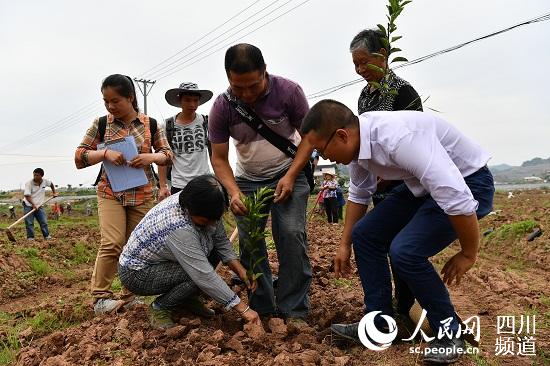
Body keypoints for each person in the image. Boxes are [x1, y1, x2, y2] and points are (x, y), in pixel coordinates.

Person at [301, 100, 494, 364]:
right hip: (422, 188)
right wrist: (344, 243)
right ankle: (380, 325)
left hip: (470, 182)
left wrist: (468, 253)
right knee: (365, 234)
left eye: (321, 149)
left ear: (342, 135)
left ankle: (449, 332)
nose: (323, 158)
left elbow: (456, 196)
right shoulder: (358, 145)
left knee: (405, 251)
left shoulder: (399, 139)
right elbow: (359, 192)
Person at [209, 43, 312, 320]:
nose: (246, 94)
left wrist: (291, 176)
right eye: (237, 87)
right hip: (247, 181)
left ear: (265, 71)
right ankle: (263, 307)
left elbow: (309, 139)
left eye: (253, 86)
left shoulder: (289, 92)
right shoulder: (222, 106)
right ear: (228, 78)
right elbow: (219, 158)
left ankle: (295, 309)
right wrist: (233, 192)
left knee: (290, 234)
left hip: (288, 172)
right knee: (251, 243)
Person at [75, 74, 173, 316]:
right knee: (112, 243)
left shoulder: (150, 125)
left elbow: (167, 155)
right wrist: (104, 153)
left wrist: (150, 157)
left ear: (130, 98)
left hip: (142, 194)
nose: (110, 106)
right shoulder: (101, 124)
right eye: (106, 101)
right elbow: (79, 157)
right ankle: (101, 298)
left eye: (115, 101)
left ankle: (130, 297)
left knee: (137, 246)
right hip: (110, 192)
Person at [119, 175, 260, 328]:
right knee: (194, 274)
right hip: (137, 273)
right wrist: (243, 309)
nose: (211, 224)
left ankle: (186, 299)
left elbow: (220, 241)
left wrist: (240, 270)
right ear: (188, 210)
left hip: (164, 261)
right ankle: (160, 307)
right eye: (205, 221)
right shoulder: (178, 227)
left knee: (211, 253)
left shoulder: (206, 201)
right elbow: (202, 274)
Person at [351, 28, 424, 318]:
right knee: (379, 242)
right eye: (355, 64)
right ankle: (388, 311)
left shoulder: (403, 92)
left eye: (364, 62)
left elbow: (418, 143)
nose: (359, 70)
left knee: (401, 249)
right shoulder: (365, 96)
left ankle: (408, 309)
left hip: (405, 187)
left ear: (383, 57)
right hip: (381, 190)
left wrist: (392, 173)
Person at [158, 82, 214, 200]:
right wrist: (163, 186)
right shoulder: (168, 126)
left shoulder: (205, 122)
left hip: (204, 182)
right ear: (180, 101)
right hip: (179, 184)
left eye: (195, 100)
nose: (192, 104)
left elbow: (215, 155)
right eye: (188, 100)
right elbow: (163, 156)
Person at [22, 168, 57, 240]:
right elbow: (27, 196)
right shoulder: (29, 183)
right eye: (34, 175)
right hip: (28, 204)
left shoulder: (45, 181)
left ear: (41, 176)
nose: (35, 177)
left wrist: (54, 192)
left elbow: (51, 184)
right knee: (29, 222)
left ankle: (47, 236)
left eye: (37, 175)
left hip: (39, 205)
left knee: (43, 221)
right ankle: (30, 238)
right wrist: (33, 205)